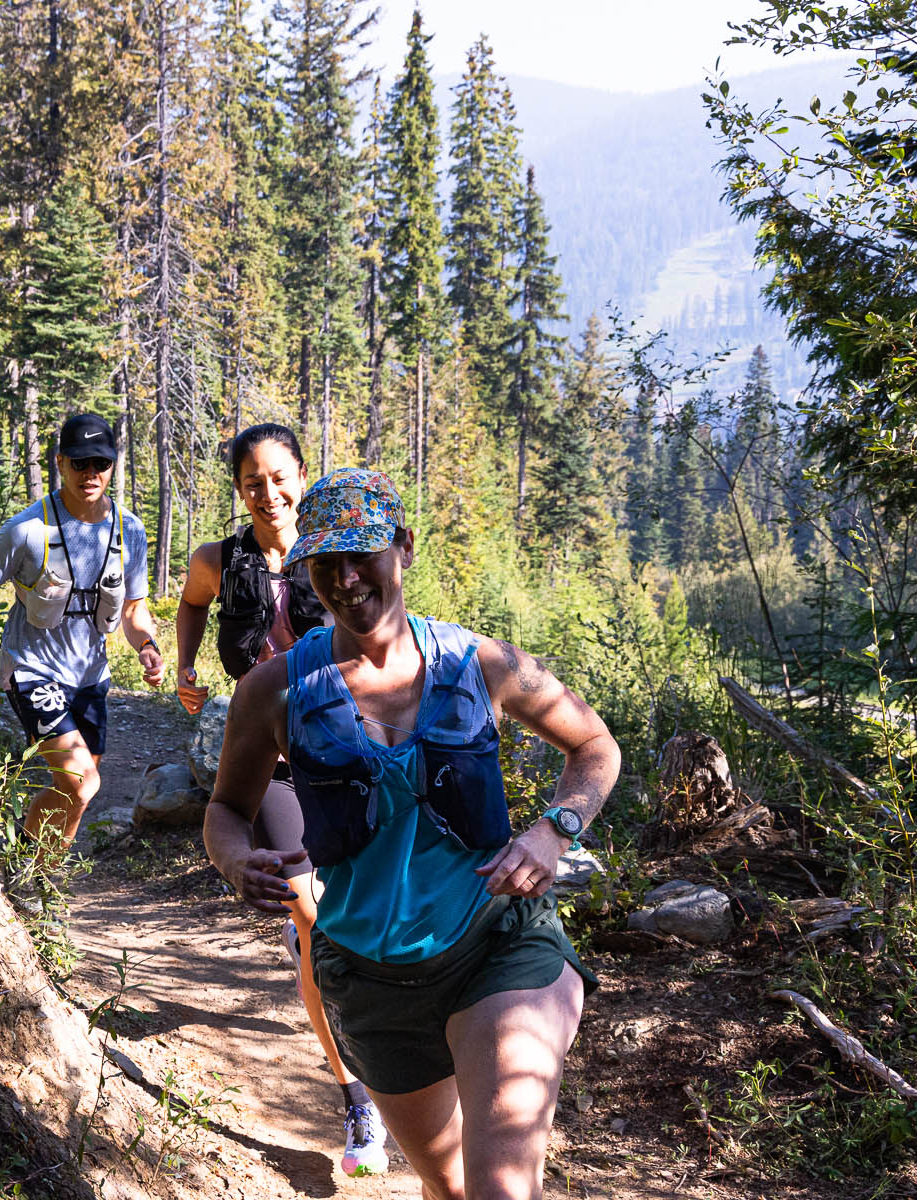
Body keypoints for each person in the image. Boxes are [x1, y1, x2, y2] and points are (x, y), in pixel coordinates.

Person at [203, 468, 619, 1200]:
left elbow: (595, 748)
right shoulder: (274, 691)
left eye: (363, 555)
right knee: (449, 1187)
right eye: (326, 562)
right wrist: (238, 862)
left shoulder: (477, 661)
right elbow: (226, 811)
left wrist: (557, 831)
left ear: (405, 547)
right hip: (370, 979)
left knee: (499, 1190)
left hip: (498, 944)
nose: (346, 578)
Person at [175, 425, 389, 1179]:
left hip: (339, 753)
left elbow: (382, 637)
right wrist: (184, 667)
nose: (267, 492)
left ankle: (405, 1054)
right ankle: (357, 1094)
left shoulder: (338, 557)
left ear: (302, 475)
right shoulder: (219, 560)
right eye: (251, 482)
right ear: (239, 490)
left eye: (278, 476)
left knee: (362, 912)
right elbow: (193, 603)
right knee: (311, 918)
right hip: (267, 757)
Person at [0, 413, 165, 868]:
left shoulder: (129, 530)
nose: (90, 473)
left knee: (77, 790)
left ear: (112, 466)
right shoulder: (27, 530)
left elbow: (132, 610)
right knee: (81, 781)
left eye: (101, 464)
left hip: (89, 678)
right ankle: (27, 882)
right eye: (79, 463)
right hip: (31, 671)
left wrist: (148, 646)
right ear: (60, 464)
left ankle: (36, 875)